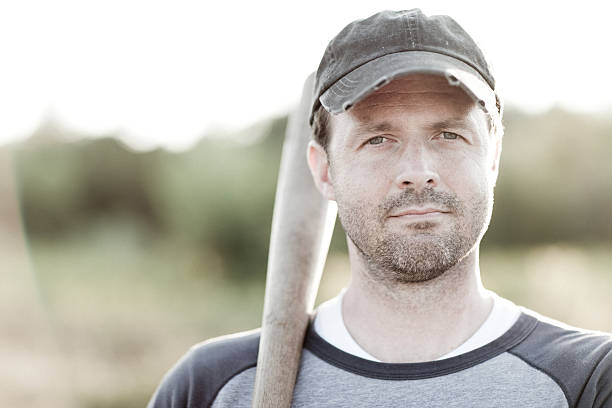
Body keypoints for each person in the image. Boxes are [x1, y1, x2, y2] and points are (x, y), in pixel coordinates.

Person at [148, 9, 612, 407]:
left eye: (448, 134)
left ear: (492, 157)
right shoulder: (212, 388)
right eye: (378, 139)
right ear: (324, 170)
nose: (417, 169)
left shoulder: (588, 380)